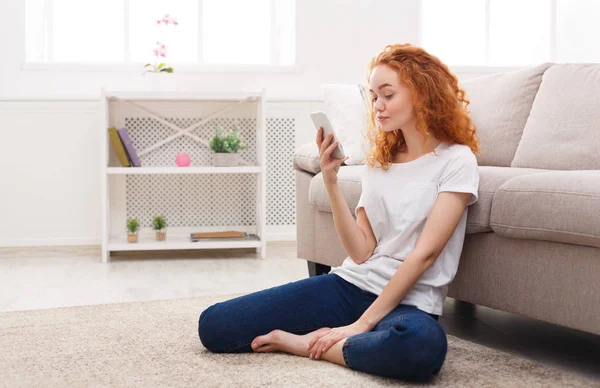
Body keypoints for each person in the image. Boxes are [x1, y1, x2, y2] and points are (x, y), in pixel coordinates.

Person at [198, 43, 481, 382]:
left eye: (387, 95)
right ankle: (347, 340)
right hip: (349, 286)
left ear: (421, 93)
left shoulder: (457, 160)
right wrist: (330, 179)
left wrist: (360, 325)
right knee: (214, 326)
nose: (377, 106)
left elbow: (425, 255)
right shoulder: (380, 162)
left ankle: (304, 345)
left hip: (411, 303)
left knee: (421, 347)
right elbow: (361, 252)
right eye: (374, 97)